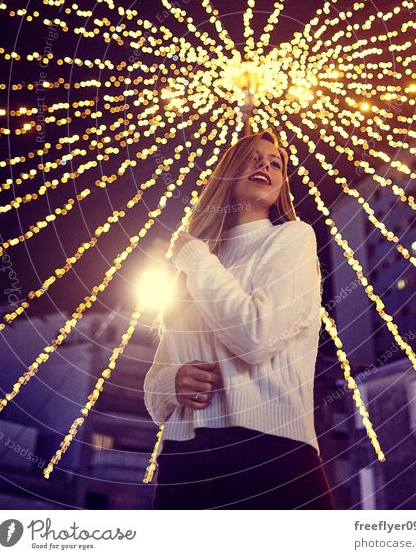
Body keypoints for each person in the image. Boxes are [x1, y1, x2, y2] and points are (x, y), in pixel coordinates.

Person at [143, 128, 334, 509]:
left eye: (276, 163)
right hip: (184, 460)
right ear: (226, 174)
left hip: (269, 451)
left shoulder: (292, 239)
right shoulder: (193, 268)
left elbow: (256, 336)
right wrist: (172, 382)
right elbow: (155, 388)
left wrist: (196, 260)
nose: (266, 164)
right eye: (253, 157)